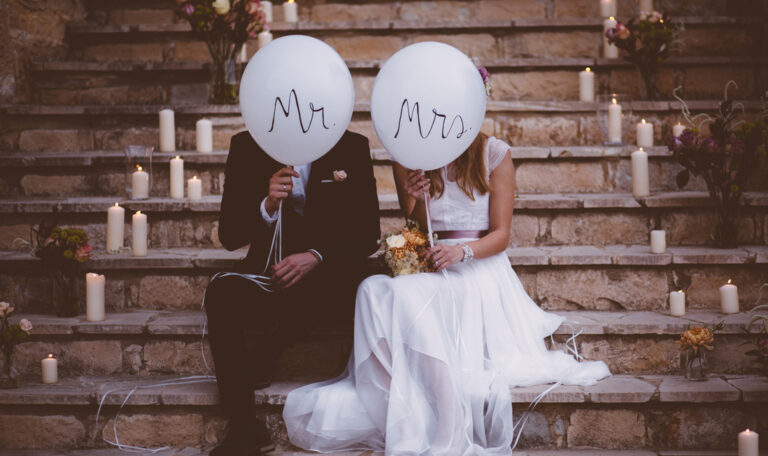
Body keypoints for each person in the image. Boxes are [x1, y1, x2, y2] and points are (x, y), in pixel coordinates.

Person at [283, 132, 611, 455]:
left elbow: (501, 235)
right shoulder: (409, 157)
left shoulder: (494, 153)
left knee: (409, 295)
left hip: (478, 267)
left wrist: (461, 253)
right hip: (433, 264)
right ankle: (399, 402)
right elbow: (420, 228)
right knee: (371, 289)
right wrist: (415, 198)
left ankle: (448, 412)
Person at [204, 130, 381, 456]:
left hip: (330, 276)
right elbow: (229, 235)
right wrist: (266, 204)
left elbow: (369, 233)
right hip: (270, 273)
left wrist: (316, 256)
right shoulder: (246, 145)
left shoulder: (350, 146)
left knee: (368, 279)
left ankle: (268, 350)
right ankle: (244, 427)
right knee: (220, 292)